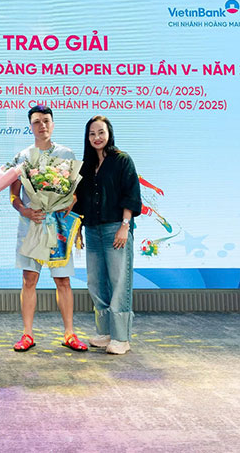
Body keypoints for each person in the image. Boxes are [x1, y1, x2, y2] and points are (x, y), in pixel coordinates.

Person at [8, 105, 88, 353]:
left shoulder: (67, 153)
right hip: (31, 224)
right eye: (36, 122)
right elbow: (13, 195)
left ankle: (69, 333)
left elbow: (77, 191)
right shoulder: (22, 157)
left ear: (52, 124)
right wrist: (24, 210)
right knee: (29, 279)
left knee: (63, 280)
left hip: (58, 225)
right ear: (30, 126)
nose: (41, 125)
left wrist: (71, 201)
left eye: (46, 121)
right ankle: (27, 334)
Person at [73, 115, 142, 355]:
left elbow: (131, 194)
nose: (97, 137)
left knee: (119, 281)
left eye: (101, 132)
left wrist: (125, 225)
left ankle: (121, 338)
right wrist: (78, 229)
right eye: (92, 134)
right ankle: (104, 332)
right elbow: (81, 201)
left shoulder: (122, 160)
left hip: (116, 229)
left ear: (109, 133)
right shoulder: (86, 166)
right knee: (95, 282)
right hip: (92, 230)